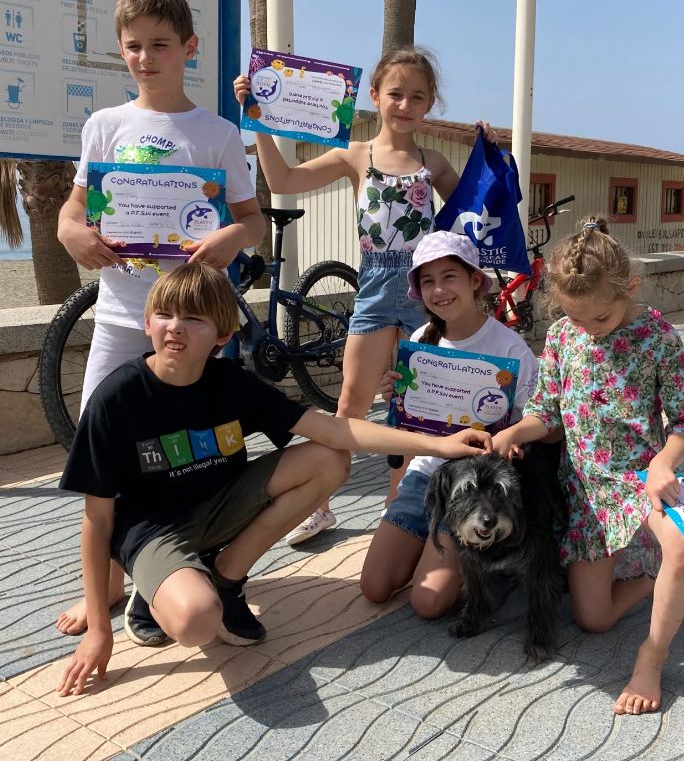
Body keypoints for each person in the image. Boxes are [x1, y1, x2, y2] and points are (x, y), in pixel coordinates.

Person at [56, 262, 492, 697]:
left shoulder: (230, 382)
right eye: (166, 315)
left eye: (194, 319)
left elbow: (335, 430)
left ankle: (225, 577)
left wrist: (440, 444)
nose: (176, 329)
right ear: (147, 321)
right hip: (154, 530)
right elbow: (96, 521)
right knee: (195, 621)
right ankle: (159, 589)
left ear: (223, 335)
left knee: (329, 459)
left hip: (220, 506)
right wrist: (99, 629)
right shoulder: (117, 398)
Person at [55, 0, 264, 637]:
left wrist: (225, 240)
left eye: (161, 45)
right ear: (121, 51)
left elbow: (251, 221)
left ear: (189, 49)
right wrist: (70, 232)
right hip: (121, 317)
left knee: (201, 448)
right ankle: (107, 586)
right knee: (101, 447)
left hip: (199, 321)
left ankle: (198, 567)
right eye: (134, 47)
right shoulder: (104, 126)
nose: (146, 57)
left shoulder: (218, 133)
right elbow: (74, 207)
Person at [234, 47, 498, 545]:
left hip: (427, 292)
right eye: (395, 94)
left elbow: (476, 211)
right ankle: (319, 504)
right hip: (376, 288)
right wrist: (259, 125)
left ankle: (398, 508)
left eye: (418, 96)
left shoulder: (433, 161)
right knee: (350, 404)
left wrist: (487, 152)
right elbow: (285, 181)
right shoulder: (357, 155)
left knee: (415, 402)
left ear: (430, 103)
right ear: (375, 96)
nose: (405, 104)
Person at [492, 217, 684, 716]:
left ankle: (652, 656)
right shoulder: (561, 336)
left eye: (598, 319)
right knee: (594, 619)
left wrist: (664, 462)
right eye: (575, 318)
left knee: (679, 545)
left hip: (645, 478)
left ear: (630, 288)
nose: (587, 329)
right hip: (587, 493)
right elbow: (547, 412)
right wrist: (513, 432)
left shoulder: (657, 334)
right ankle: (674, 567)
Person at [358, 231, 541, 618]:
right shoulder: (423, 338)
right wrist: (396, 395)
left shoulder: (511, 350)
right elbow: (409, 423)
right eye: (428, 281)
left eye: (449, 277)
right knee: (375, 587)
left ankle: (493, 561)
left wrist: (512, 437)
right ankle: (438, 548)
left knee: (428, 603)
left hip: (475, 486)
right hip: (425, 476)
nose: (439, 290)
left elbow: (535, 420)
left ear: (475, 280)